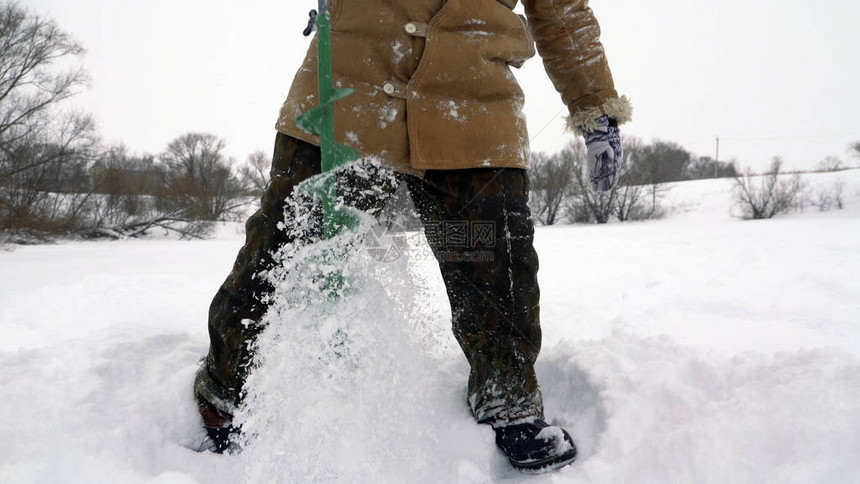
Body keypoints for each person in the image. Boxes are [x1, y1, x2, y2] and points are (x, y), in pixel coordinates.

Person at [193, 0, 631, 473]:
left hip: (474, 112)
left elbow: (562, 11)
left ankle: (508, 398)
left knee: (494, 271)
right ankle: (228, 386)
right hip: (345, 96)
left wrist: (596, 110)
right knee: (282, 250)